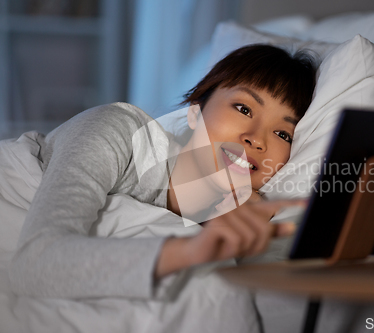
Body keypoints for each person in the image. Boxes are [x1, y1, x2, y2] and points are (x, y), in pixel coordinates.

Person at [8, 44, 317, 299]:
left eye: (283, 134)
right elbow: (34, 265)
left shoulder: (244, 218)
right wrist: (192, 250)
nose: (257, 138)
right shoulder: (118, 133)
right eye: (244, 109)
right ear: (195, 112)